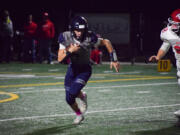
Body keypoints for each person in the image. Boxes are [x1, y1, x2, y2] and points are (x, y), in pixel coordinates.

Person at [58, 16, 120, 124]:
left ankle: (82, 96)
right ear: (72, 29)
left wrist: (113, 59)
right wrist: (70, 51)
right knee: (68, 99)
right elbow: (59, 59)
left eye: (81, 30)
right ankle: (79, 114)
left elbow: (106, 42)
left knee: (72, 92)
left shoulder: (90, 37)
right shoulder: (65, 36)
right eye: (77, 30)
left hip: (84, 69)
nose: (79, 33)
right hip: (72, 68)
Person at [149, 9, 180, 127]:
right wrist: (158, 57)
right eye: (173, 23)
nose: (173, 26)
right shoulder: (168, 33)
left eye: (176, 24)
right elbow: (166, 44)